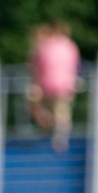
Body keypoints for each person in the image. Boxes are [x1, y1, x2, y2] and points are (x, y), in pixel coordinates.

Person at [27, 21, 80, 153]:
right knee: (62, 111)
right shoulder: (70, 46)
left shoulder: (44, 47)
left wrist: (35, 83)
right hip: (66, 85)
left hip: (45, 84)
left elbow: (35, 67)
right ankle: (60, 137)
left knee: (36, 108)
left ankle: (50, 127)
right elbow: (75, 65)